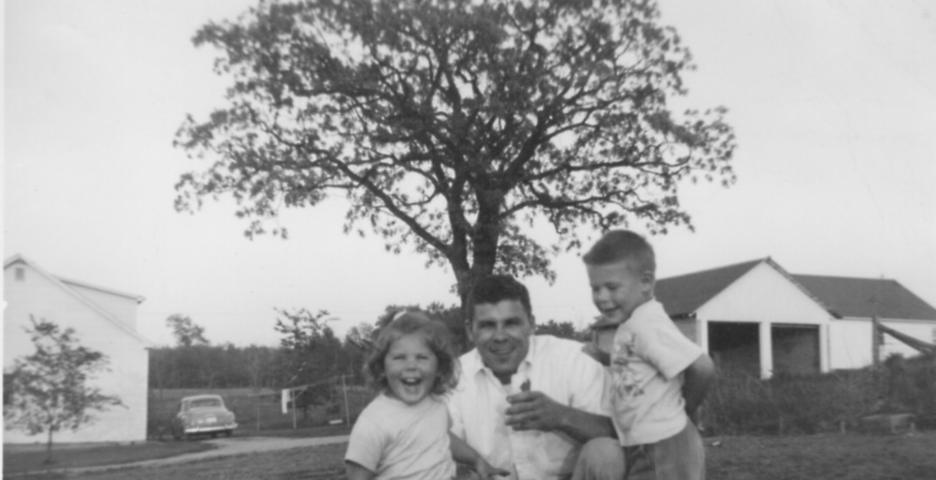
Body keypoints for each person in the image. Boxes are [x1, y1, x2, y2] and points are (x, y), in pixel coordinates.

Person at [447, 275, 625, 480]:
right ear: (470, 330)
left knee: (606, 453)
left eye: (511, 323)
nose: (500, 336)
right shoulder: (452, 377)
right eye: (488, 325)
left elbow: (624, 434)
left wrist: (562, 417)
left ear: (531, 324)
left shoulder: (572, 359)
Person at [582, 230, 716, 480]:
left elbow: (702, 366)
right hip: (644, 441)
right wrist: (602, 357)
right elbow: (634, 364)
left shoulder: (648, 322)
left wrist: (685, 409)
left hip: (665, 443)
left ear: (645, 282)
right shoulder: (632, 322)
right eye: (595, 288)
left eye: (611, 287)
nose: (601, 297)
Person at [345, 311, 502, 480]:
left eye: (422, 357)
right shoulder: (373, 424)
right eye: (399, 358)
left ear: (439, 367)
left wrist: (477, 461)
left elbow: (442, 437)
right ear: (382, 367)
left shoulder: (436, 404)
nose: (411, 365)